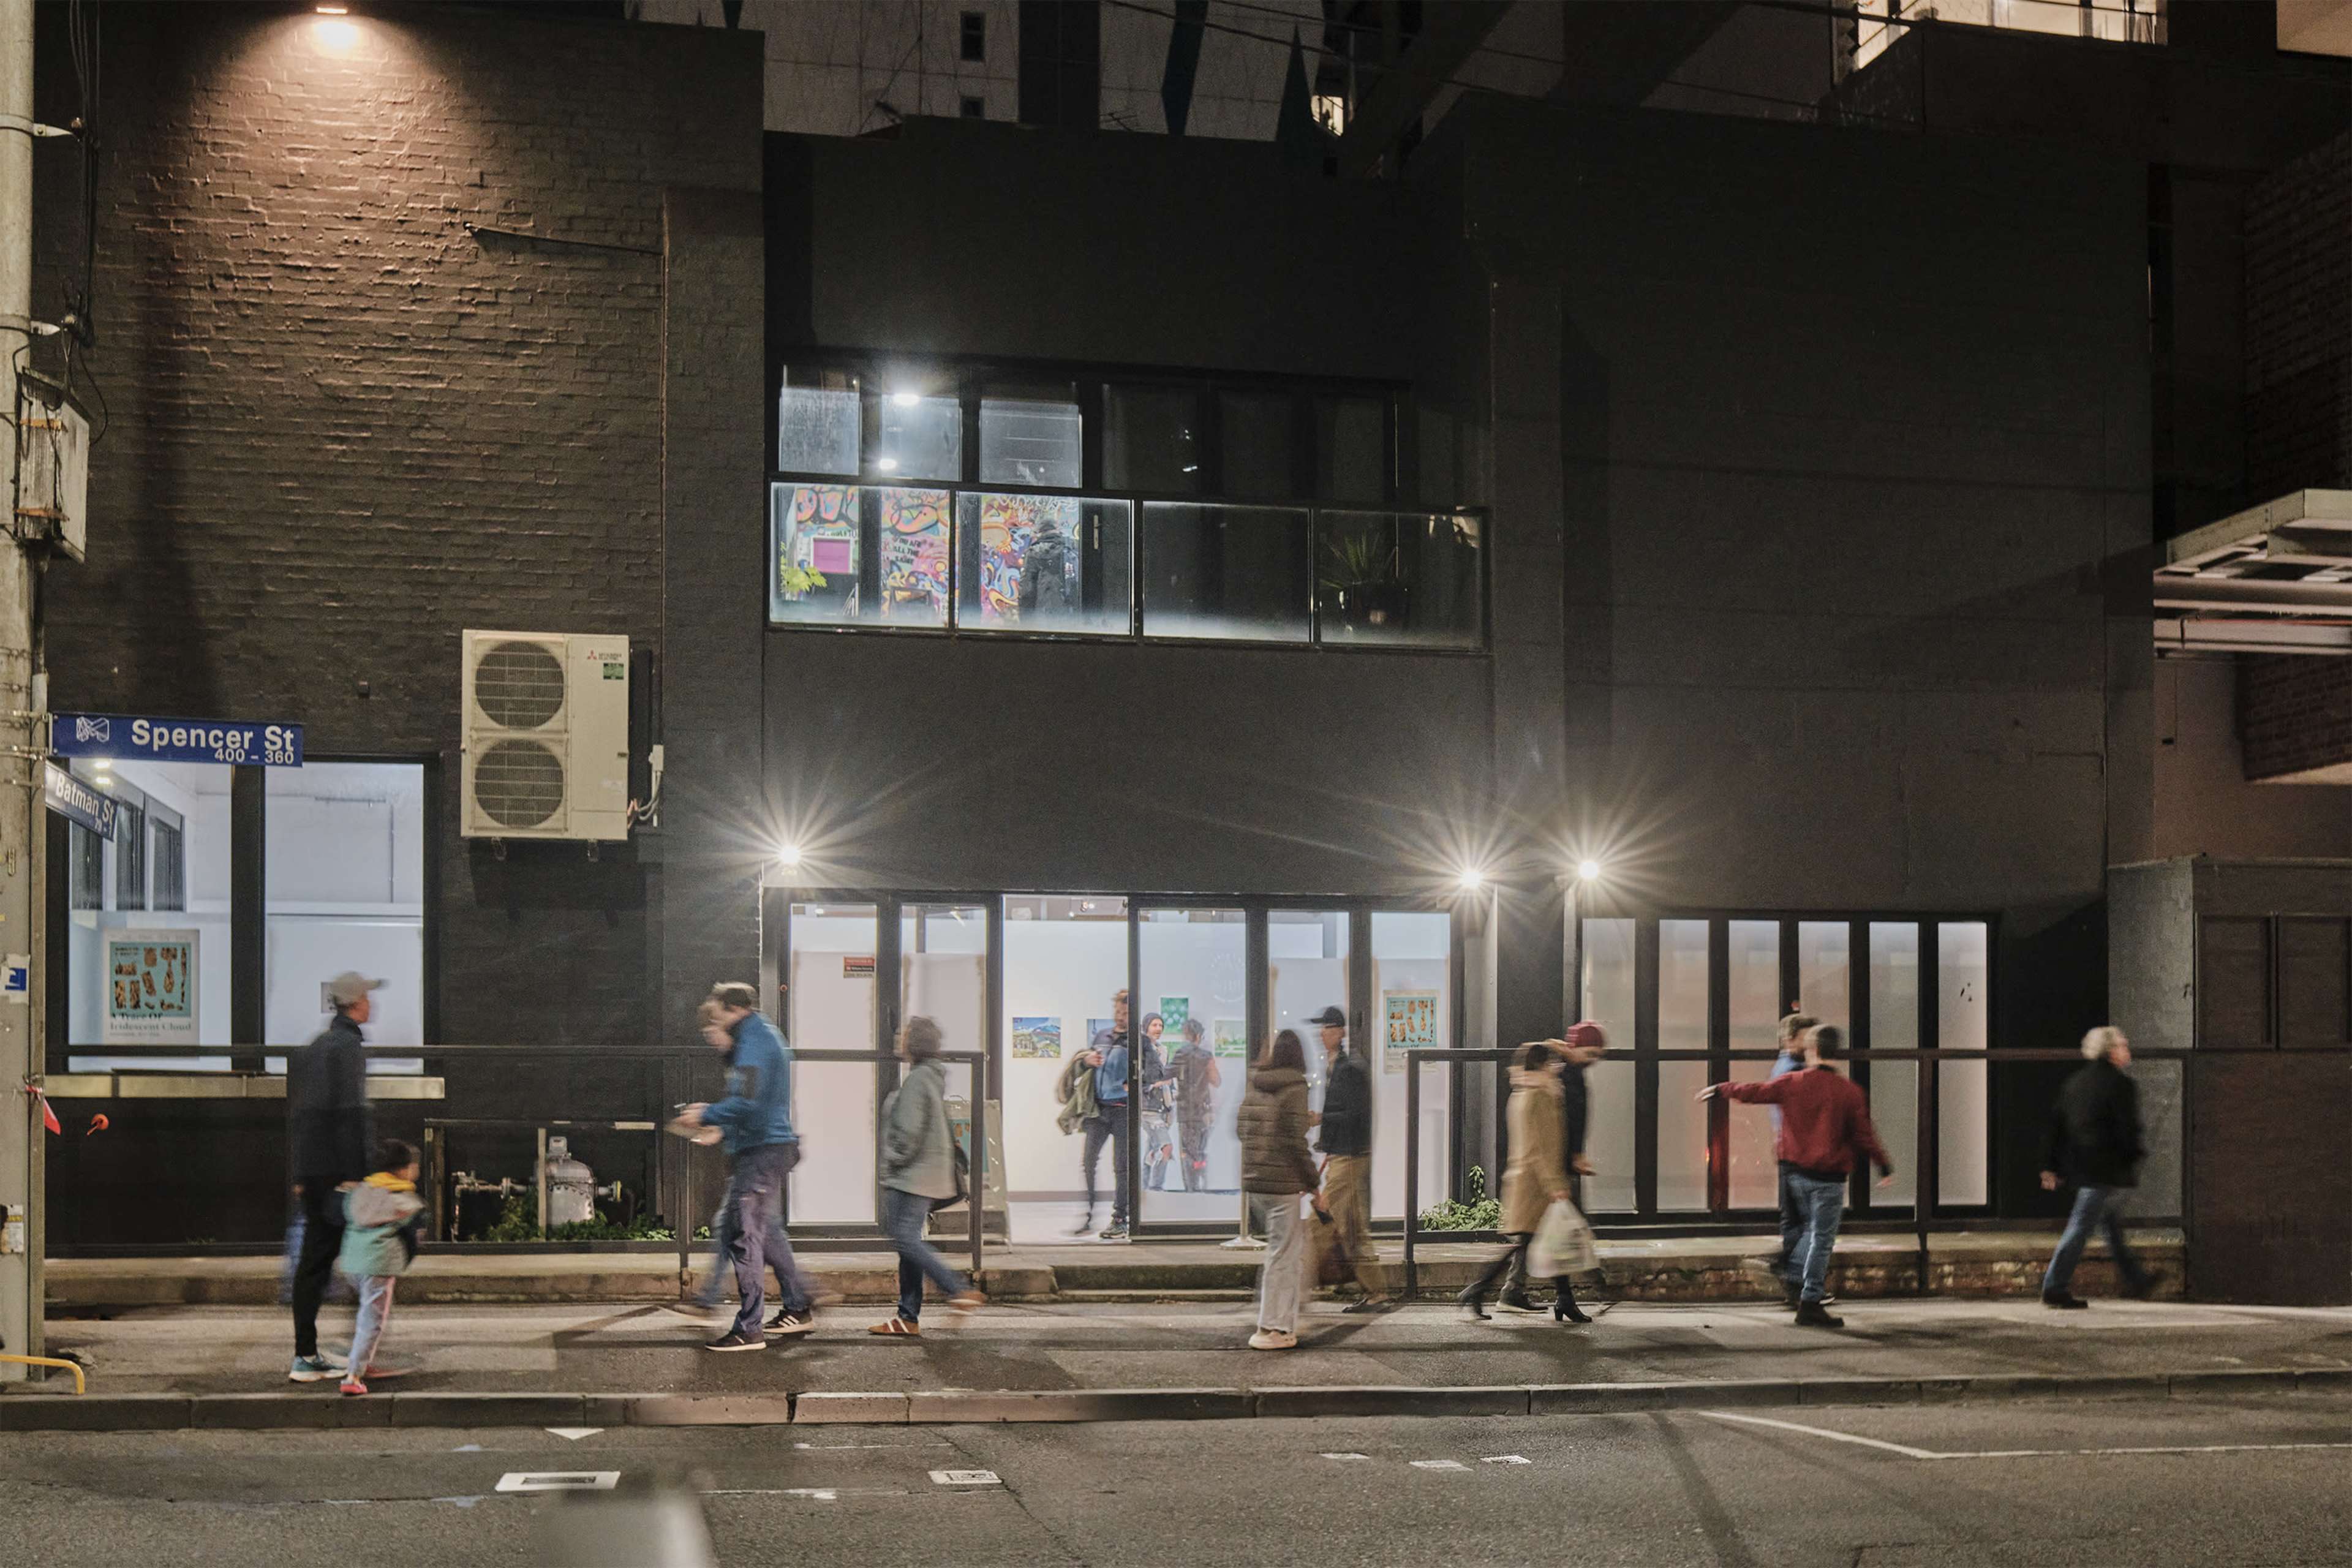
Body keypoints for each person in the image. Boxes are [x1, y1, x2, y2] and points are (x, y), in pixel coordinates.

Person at [1703, 1025, 1893, 1329]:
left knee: (1807, 1230)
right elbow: (1864, 1135)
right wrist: (1883, 1166)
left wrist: (1720, 1089)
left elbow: (1755, 1092)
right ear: (1836, 1053)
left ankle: (1788, 1269)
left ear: (1812, 1050)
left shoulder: (1793, 1082)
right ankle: (1809, 1300)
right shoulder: (1850, 1092)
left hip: (1794, 1174)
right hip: (1829, 1179)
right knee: (1821, 1239)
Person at [680, 981, 817, 1352]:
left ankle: (749, 1328)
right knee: (761, 1231)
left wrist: (707, 1114)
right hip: (763, 1149)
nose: (715, 1026)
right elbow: (749, 1100)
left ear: (734, 1010)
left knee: (745, 1235)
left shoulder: (756, 1041)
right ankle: (799, 1305)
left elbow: (750, 1101)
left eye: (718, 1015)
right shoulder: (752, 1039)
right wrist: (721, 1126)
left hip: (764, 1152)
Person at [286, 971, 383, 1383]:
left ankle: (308, 1353)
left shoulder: (316, 1046)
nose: (371, 1004)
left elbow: (302, 1114)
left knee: (316, 1264)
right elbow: (350, 1115)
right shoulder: (347, 1047)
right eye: (367, 997)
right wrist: (355, 1176)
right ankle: (351, 1355)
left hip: (313, 1170)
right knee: (370, 1260)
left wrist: (300, 1173)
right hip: (337, 1175)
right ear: (356, 1002)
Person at [869, 1016, 985, 1336]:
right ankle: (907, 1317)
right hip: (925, 1175)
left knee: (904, 1238)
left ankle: (957, 1290)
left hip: (910, 1176)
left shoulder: (918, 1080)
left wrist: (890, 1163)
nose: (898, 1038)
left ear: (913, 1042)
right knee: (909, 1242)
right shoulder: (931, 1077)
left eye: (903, 1034)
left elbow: (907, 1133)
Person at [1459, 1040, 1586, 1324]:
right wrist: (1555, 1184)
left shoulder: (1525, 1091)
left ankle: (1562, 1299)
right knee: (1530, 1243)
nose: (1556, 1068)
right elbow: (1541, 1146)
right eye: (1552, 1063)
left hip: (1530, 1181)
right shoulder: (1538, 1096)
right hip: (1535, 1184)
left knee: (1544, 1242)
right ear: (1542, 1065)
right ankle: (1478, 1289)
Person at [2038, 1025, 2155, 1310]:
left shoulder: (2075, 1083)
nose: (2127, 1050)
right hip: (2103, 1167)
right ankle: (2054, 1286)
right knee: (2081, 1226)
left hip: (2080, 1165)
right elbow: (2127, 1129)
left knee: (2107, 1221)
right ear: (2112, 1051)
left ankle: (2136, 1279)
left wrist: (2050, 1166)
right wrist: (2134, 1154)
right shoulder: (2121, 1085)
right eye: (2123, 1045)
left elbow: (2057, 1127)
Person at [1500, 1020, 1607, 1313]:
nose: (1593, 1060)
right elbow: (1550, 1130)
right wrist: (1569, 1159)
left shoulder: (1570, 1074)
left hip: (1556, 1167)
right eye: (1590, 1052)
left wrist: (1575, 1153)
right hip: (1551, 1169)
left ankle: (1539, 1293)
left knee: (1546, 1232)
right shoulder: (1557, 1076)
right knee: (1558, 1231)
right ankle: (1590, 1286)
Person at [1306, 1005, 1392, 1313]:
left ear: (1341, 1032)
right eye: (1321, 1028)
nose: (1322, 1033)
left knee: (1334, 1223)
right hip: (1342, 1154)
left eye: (1328, 1028)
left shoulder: (1351, 1067)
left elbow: (1355, 1113)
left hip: (1351, 1157)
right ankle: (1366, 1288)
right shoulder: (1337, 1065)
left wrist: (1320, 1118)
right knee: (1339, 1223)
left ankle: (1301, 1281)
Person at [1237, 1028, 1318, 1350]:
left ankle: (1273, 1322)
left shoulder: (1257, 1082)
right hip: (1283, 1183)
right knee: (1284, 1257)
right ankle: (1274, 1328)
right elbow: (1295, 1141)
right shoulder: (1295, 1086)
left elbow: (1241, 1128)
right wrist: (1313, 1182)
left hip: (1255, 1181)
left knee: (1276, 1253)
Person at [334, 1137, 426, 1396]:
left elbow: (346, 1208)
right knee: (372, 1322)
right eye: (414, 1166)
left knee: (365, 1317)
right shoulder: (402, 1197)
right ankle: (353, 1376)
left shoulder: (362, 1190)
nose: (416, 1171)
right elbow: (413, 1216)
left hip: (352, 1262)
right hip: (379, 1264)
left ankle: (362, 1363)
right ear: (403, 1168)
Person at [1743, 1012, 1819, 1307]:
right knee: (1808, 1222)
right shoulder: (1795, 1071)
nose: (1811, 1042)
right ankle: (1788, 1270)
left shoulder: (1785, 1067)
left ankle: (1792, 1276)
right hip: (1799, 1153)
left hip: (1789, 1151)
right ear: (1790, 1039)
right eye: (1806, 1037)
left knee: (1797, 1220)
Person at [1058, 989, 1133, 1240]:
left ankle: (1120, 1218)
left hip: (1123, 1111)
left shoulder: (1139, 1041)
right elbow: (1085, 1067)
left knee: (1121, 1167)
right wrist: (1086, 1061)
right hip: (1097, 1111)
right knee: (1088, 1162)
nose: (1120, 1017)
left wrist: (1138, 1085)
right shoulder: (1103, 1035)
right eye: (1118, 1012)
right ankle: (1089, 1216)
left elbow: (1154, 1071)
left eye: (1125, 1012)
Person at [1171, 1017, 1222, 1193]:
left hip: (1185, 1111)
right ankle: (1201, 1187)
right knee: (1201, 1150)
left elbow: (1167, 1074)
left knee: (1186, 1151)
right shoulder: (1206, 1057)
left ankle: (1190, 1190)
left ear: (1186, 1035)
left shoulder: (1180, 1054)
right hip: (1203, 1111)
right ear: (1199, 1036)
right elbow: (1217, 1081)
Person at [1139, 1012, 1179, 1192]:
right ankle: (1155, 1188)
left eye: (1161, 1025)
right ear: (1146, 1027)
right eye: (1155, 1025)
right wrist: (1157, 1084)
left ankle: (1144, 1189)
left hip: (1165, 1106)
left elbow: (1166, 1075)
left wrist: (1172, 1089)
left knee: (1151, 1149)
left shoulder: (1163, 1050)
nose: (1159, 1029)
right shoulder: (1140, 1050)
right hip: (1148, 1108)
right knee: (1166, 1147)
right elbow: (1139, 1081)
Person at [1017, 514, 1076, 621]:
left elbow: (1027, 589)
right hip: (1070, 613)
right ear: (1057, 530)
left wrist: (1025, 620)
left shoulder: (1033, 552)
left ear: (1040, 532)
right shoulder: (1072, 549)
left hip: (1043, 614)